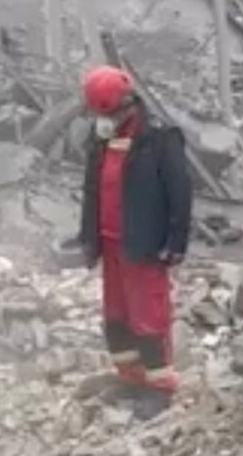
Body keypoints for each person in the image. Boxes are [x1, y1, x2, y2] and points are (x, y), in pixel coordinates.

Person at [76, 66, 194, 418]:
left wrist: (176, 241)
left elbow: (179, 191)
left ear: (128, 104)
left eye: (109, 112)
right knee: (117, 316)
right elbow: (92, 190)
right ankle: (131, 376)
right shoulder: (102, 139)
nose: (105, 119)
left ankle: (159, 385)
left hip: (143, 244)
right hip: (112, 244)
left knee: (147, 318)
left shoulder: (159, 137)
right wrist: (88, 239)